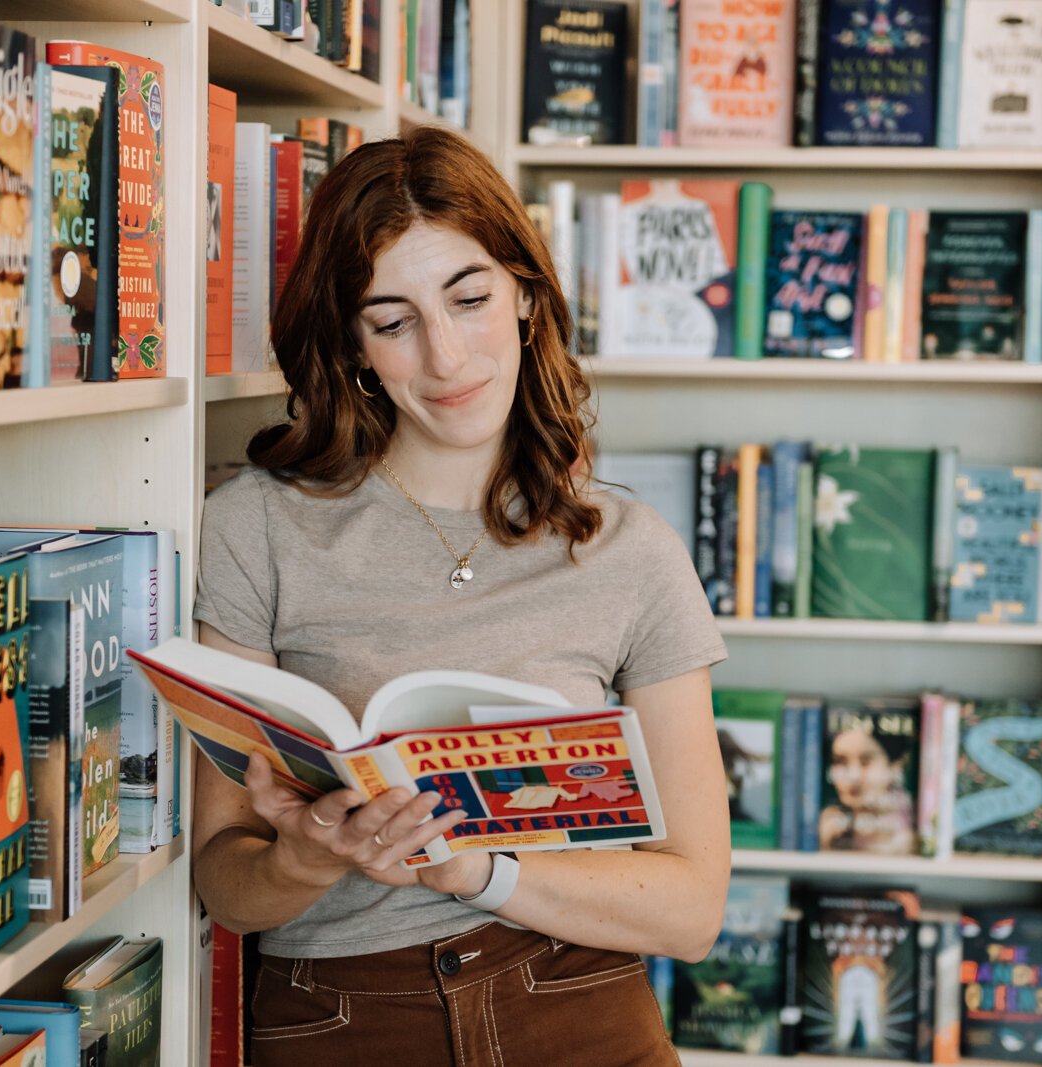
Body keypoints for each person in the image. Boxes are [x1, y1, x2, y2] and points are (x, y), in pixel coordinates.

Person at [190, 125, 731, 1066]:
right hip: (343, 1017)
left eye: (470, 298)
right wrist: (305, 856)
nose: (446, 357)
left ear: (524, 295)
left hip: (578, 1001)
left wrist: (476, 869)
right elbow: (224, 885)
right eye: (393, 320)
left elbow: (692, 909)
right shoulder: (255, 527)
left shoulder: (630, 549)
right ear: (354, 345)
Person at [818, 724, 914, 854]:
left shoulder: (908, 835)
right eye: (840, 761)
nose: (853, 776)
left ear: (895, 767)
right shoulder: (826, 824)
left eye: (866, 762)